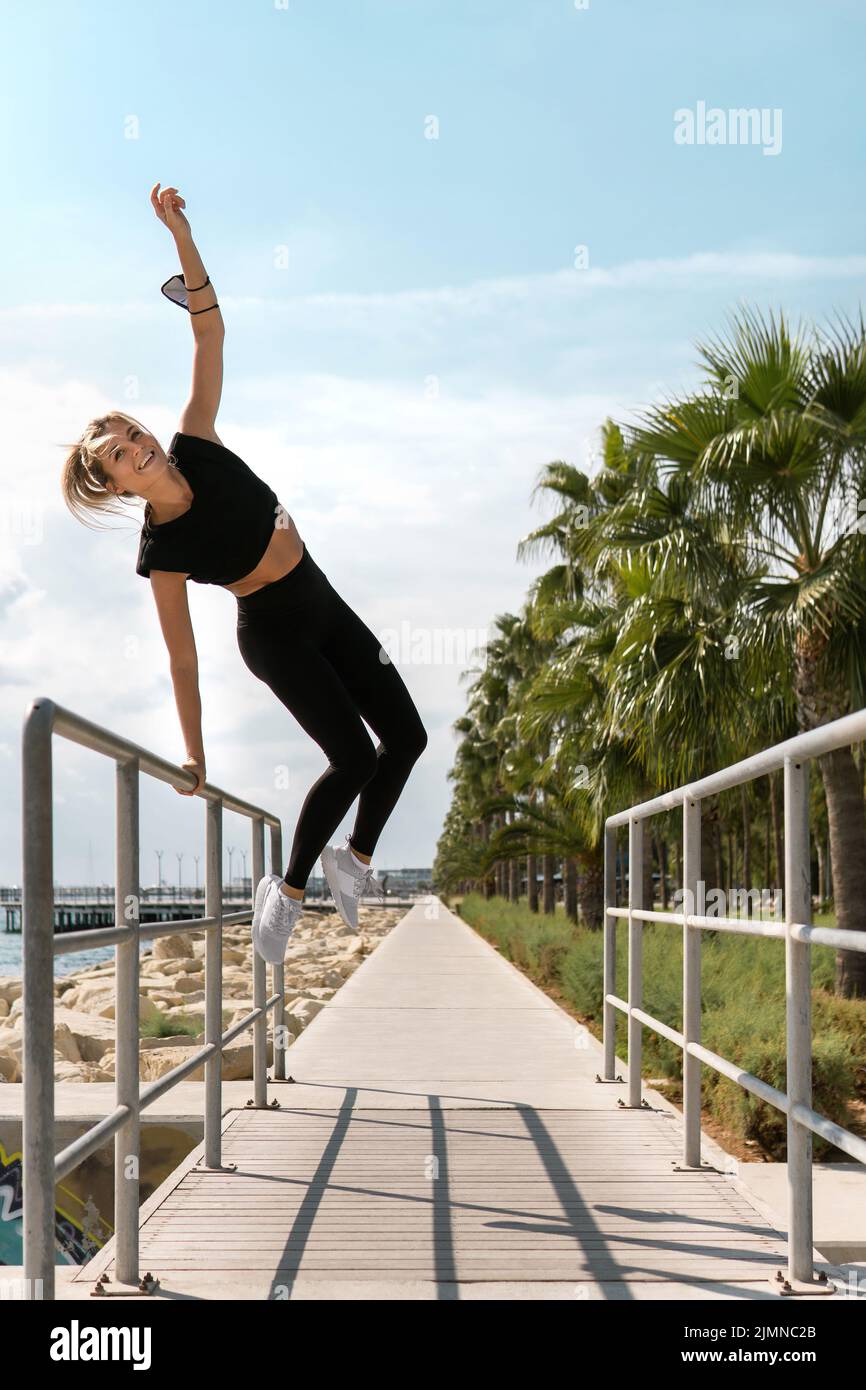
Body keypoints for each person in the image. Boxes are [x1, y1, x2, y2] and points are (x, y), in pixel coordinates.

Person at [60, 183, 427, 963]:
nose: (137, 445)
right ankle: (288, 890)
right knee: (354, 757)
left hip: (321, 598)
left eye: (131, 431)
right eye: (122, 455)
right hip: (275, 633)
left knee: (408, 736)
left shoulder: (197, 437)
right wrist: (195, 755)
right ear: (120, 486)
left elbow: (210, 335)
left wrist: (181, 239)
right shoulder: (162, 553)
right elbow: (183, 660)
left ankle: (353, 862)